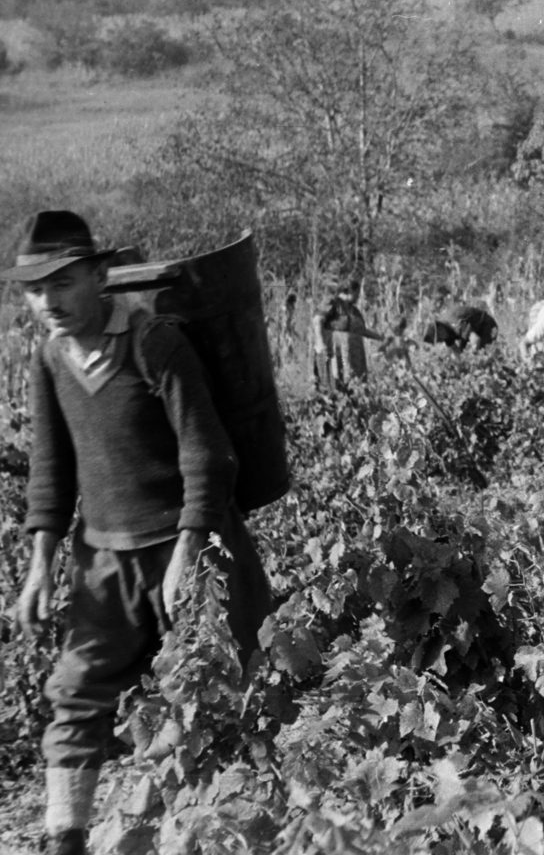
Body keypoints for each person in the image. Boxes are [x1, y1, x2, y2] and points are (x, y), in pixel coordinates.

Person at [3, 211, 271, 855]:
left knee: (230, 691)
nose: (49, 301)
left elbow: (208, 457)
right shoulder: (50, 360)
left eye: (62, 283)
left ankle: (243, 829)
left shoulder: (154, 345)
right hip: (104, 561)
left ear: (100, 277)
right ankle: (66, 839)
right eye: (35, 289)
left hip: (195, 548)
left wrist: (188, 554)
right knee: (76, 691)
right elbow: (51, 469)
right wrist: (41, 562)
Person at [314, 279, 386, 387]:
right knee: (336, 380)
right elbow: (318, 320)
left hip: (354, 354)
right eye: (356, 293)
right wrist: (320, 342)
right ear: (350, 291)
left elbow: (363, 331)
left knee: (355, 383)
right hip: (336, 350)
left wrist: (382, 339)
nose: (358, 296)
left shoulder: (354, 311)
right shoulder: (332, 304)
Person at [422, 303, 498, 352]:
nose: (441, 341)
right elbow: (457, 353)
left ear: (439, 330)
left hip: (486, 324)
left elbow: (476, 339)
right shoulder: (445, 333)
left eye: (438, 339)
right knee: (464, 351)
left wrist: (471, 357)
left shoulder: (455, 324)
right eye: (438, 341)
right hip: (474, 330)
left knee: (482, 354)